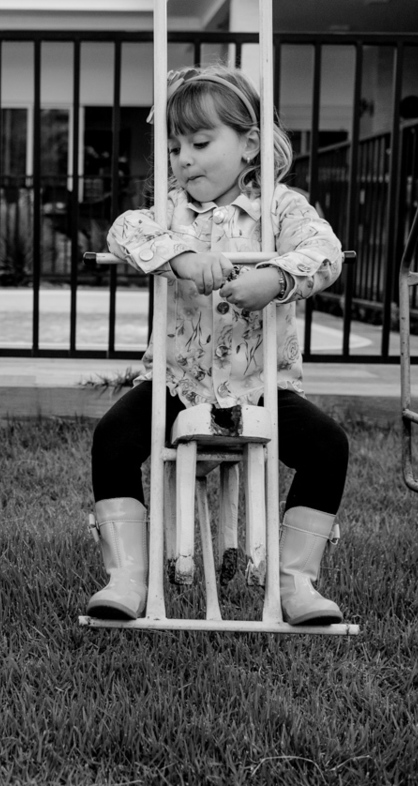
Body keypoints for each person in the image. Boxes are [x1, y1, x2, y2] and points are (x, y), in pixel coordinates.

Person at [87, 65, 350, 626]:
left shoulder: (281, 209)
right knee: (113, 437)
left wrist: (276, 278)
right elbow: (123, 231)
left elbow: (325, 250)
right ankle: (129, 577)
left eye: (201, 143)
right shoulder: (168, 212)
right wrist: (180, 256)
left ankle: (296, 582)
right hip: (176, 386)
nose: (184, 158)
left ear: (250, 144)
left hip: (262, 392)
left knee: (328, 446)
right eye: (175, 146)